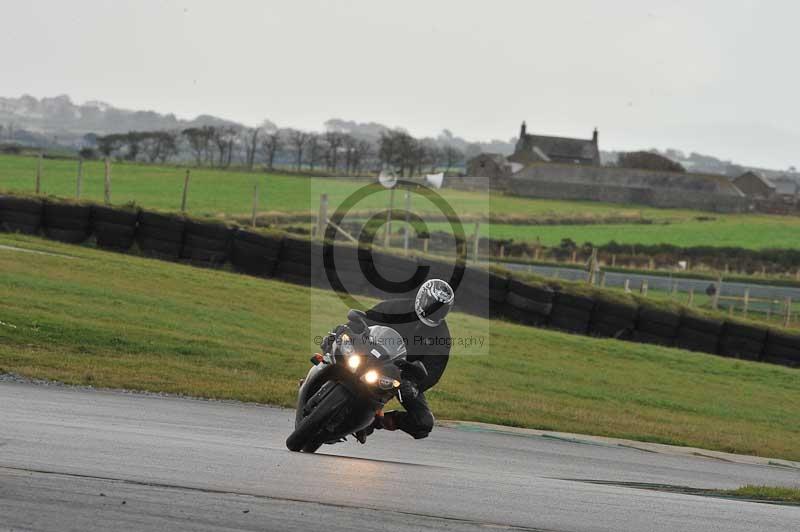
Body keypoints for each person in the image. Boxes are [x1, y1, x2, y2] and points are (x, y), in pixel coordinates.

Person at [323, 278, 454, 440]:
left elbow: (433, 371)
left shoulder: (442, 336)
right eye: (432, 305)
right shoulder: (397, 307)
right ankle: (322, 374)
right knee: (337, 343)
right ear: (421, 298)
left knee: (423, 423)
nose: (434, 311)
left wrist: (415, 386)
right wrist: (343, 331)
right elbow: (366, 319)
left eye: (440, 310)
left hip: (401, 375)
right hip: (370, 353)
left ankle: (375, 420)